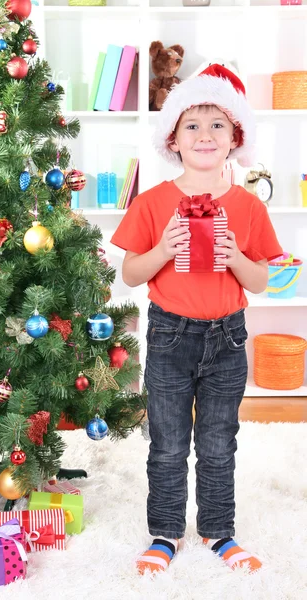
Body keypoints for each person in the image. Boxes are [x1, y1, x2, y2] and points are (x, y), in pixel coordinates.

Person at [110, 64, 283, 576]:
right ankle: (165, 532)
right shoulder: (153, 202)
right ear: (173, 139)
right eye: (193, 125)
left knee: (217, 442)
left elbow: (260, 282)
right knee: (166, 444)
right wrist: (163, 248)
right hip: (168, 336)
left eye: (217, 125)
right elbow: (130, 273)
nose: (205, 135)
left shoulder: (250, 207)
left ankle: (218, 529)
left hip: (227, 338)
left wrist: (233, 256)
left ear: (235, 140)